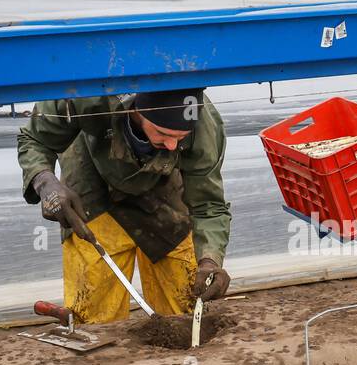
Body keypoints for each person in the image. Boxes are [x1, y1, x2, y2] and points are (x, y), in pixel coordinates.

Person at [17, 88, 231, 323]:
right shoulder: (87, 93)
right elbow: (35, 138)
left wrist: (210, 260)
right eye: (162, 133)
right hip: (90, 180)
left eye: (180, 137)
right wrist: (45, 181)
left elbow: (208, 204)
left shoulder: (203, 128)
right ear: (138, 109)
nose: (171, 144)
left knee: (184, 307)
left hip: (162, 181)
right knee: (94, 311)